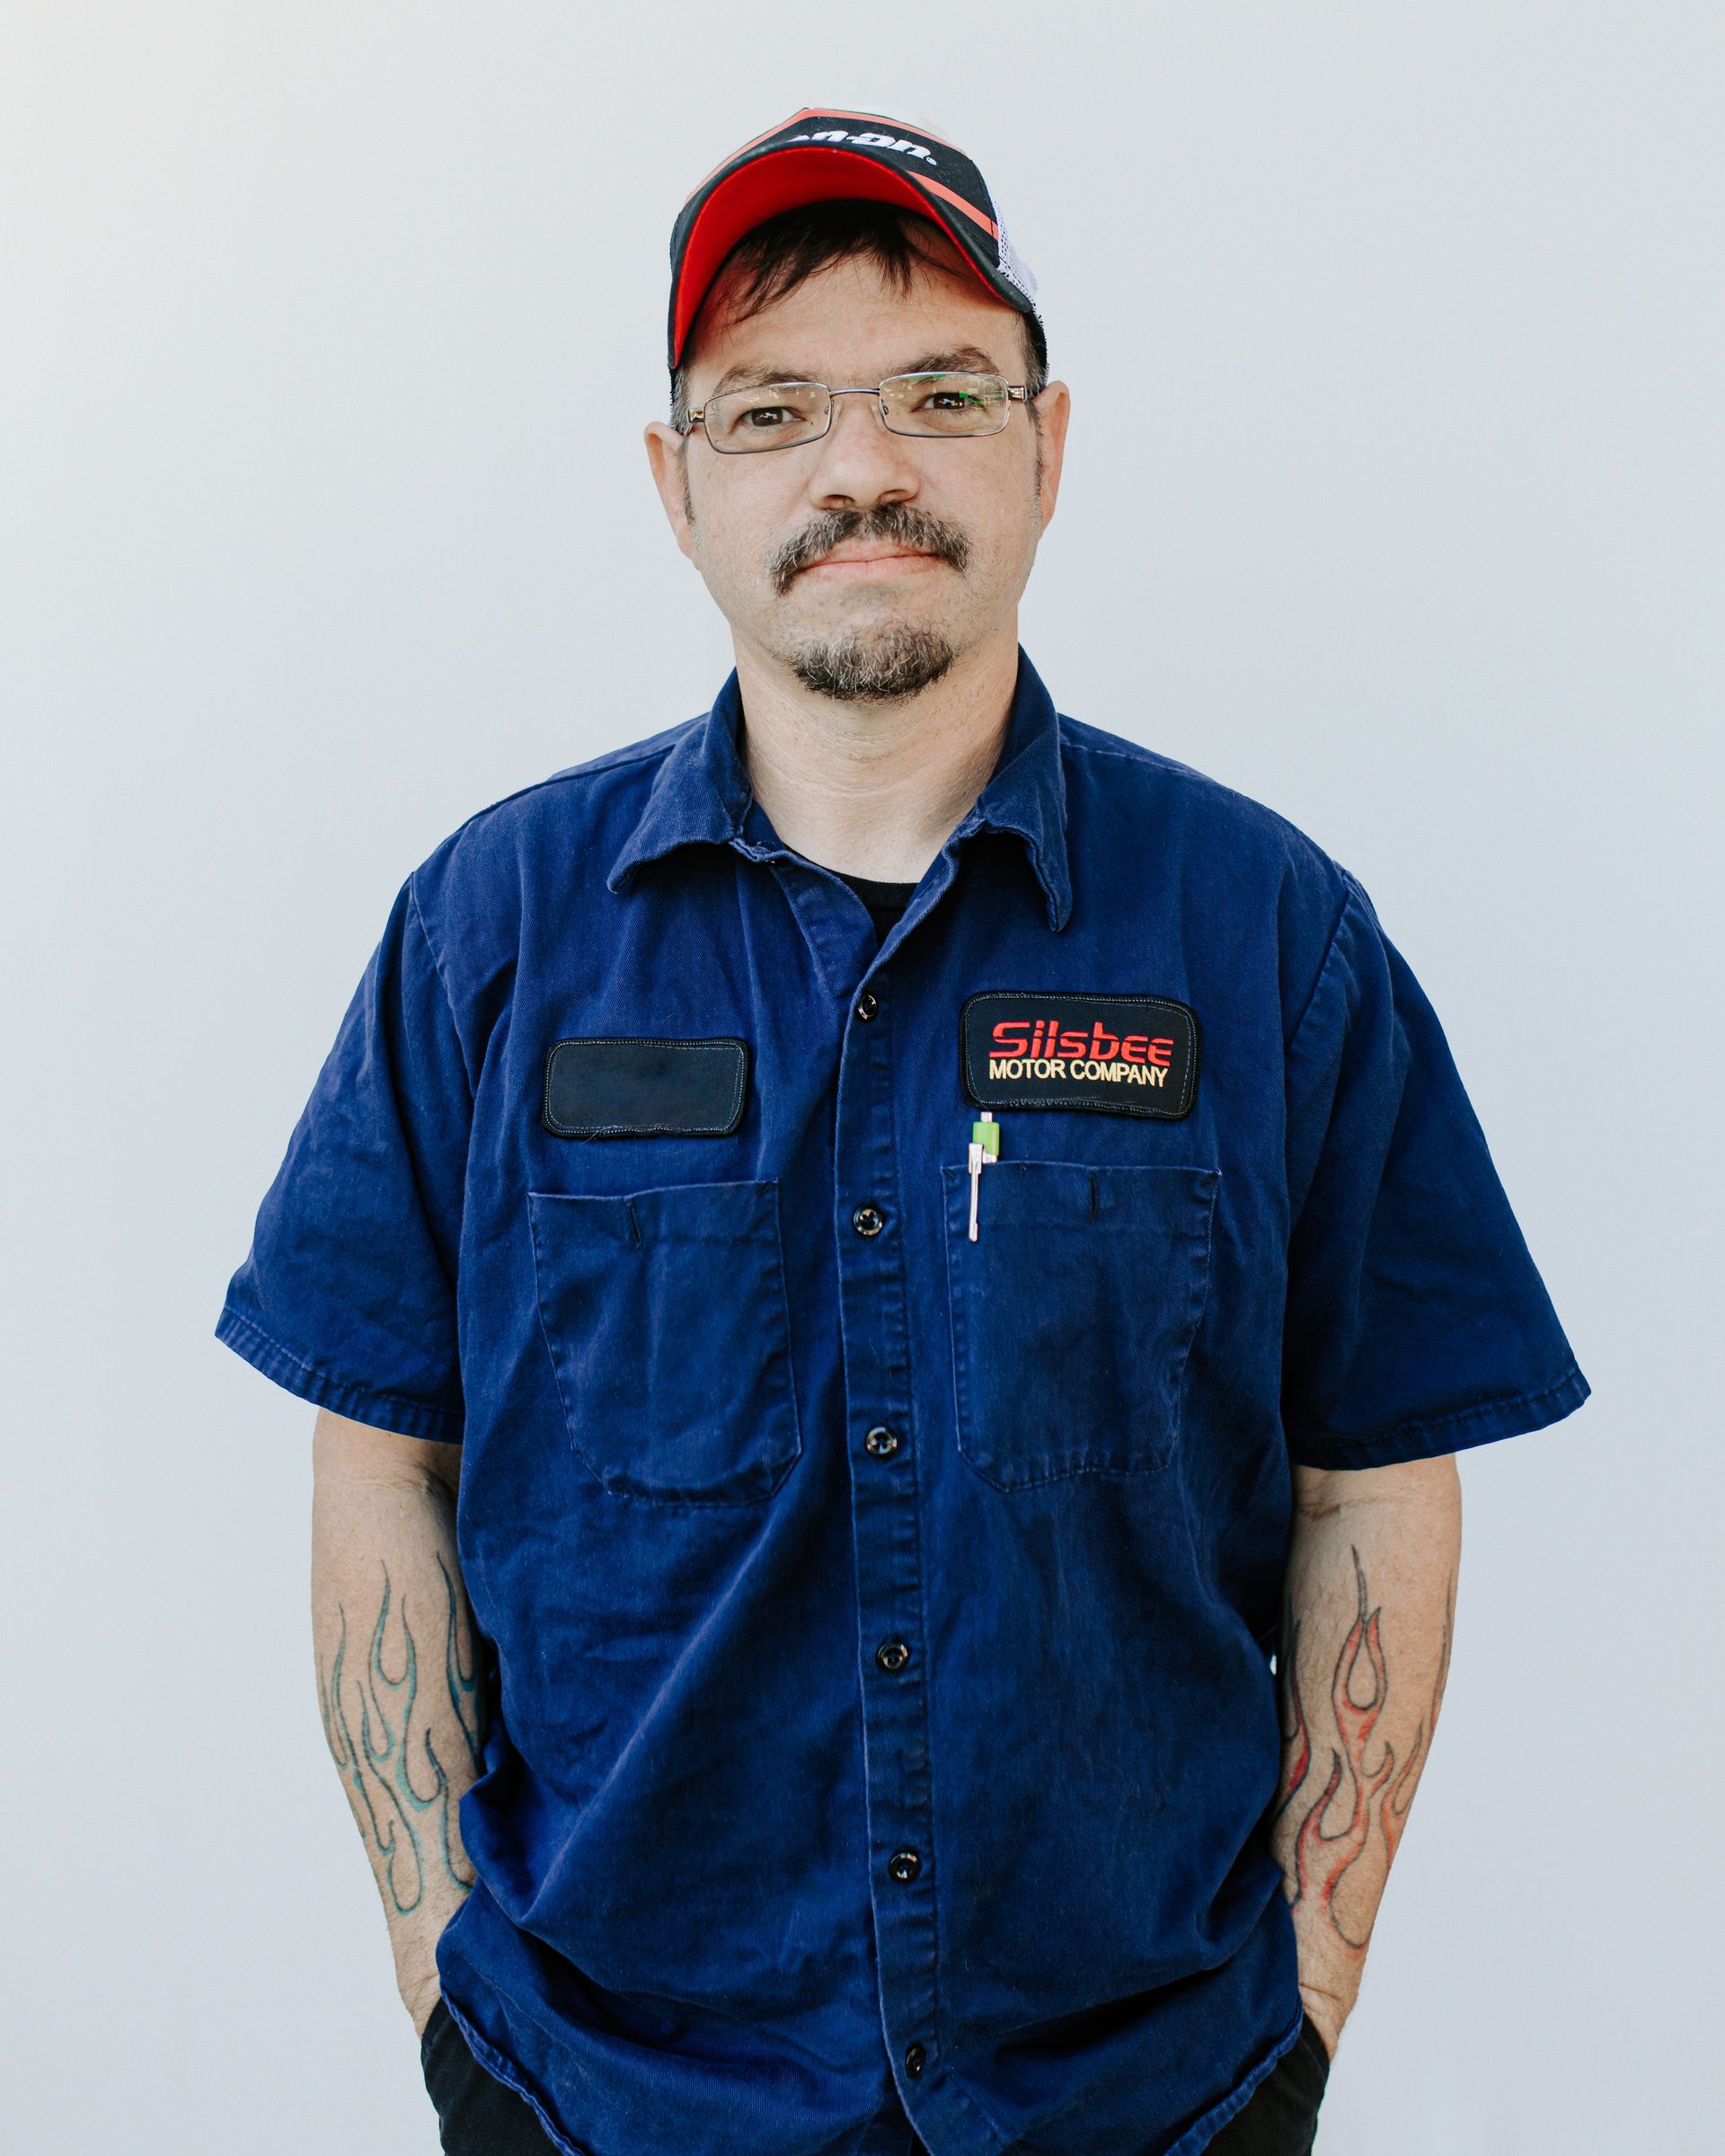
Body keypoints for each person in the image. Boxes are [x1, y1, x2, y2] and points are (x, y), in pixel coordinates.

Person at [216, 108, 1589, 2156]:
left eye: (940, 391)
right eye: (773, 409)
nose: (863, 465)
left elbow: (1374, 1477)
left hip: (1145, 2100)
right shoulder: (486, 940)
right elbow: (378, 1457)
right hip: (600, 2102)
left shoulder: (1268, 936)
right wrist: (445, 2001)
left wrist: (1305, 2008)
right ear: (677, 490)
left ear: (1048, 449)